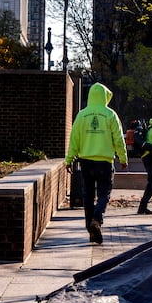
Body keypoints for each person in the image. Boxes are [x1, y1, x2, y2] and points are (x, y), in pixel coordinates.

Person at [65, 82, 128, 245]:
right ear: (105, 97)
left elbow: (74, 139)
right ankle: (97, 219)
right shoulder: (110, 115)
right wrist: (123, 158)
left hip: (86, 161)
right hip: (105, 162)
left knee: (88, 196)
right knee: (104, 194)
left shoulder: (81, 115)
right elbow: (119, 139)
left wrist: (69, 159)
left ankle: (90, 230)